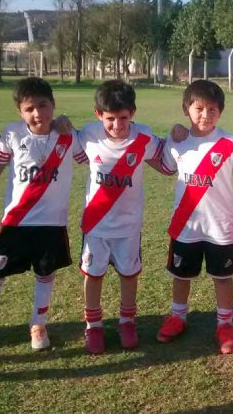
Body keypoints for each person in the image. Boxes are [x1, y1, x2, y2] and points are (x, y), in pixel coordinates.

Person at [0, 77, 87, 357]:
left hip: (52, 223)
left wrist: (69, 124)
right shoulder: (11, 134)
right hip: (16, 222)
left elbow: (92, 158)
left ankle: (38, 324)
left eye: (43, 106)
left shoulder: (69, 136)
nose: (38, 114)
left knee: (45, 273)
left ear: (53, 105)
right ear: (20, 112)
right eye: (29, 108)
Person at [153, 80, 233, 355]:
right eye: (199, 108)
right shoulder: (177, 140)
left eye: (212, 109)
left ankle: (225, 324)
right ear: (186, 109)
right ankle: (177, 316)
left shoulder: (230, 143)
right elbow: (165, 166)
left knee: (222, 277)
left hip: (221, 225)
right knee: (181, 275)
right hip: (186, 225)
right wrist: (172, 132)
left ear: (221, 111)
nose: (205, 114)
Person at [77, 80, 163, 354]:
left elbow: (166, 162)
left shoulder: (144, 138)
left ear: (133, 113)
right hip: (96, 225)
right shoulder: (88, 135)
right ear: (98, 115)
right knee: (94, 275)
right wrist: (61, 124)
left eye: (123, 118)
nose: (117, 124)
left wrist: (180, 133)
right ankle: (94, 325)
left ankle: (127, 321)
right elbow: (69, 148)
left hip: (128, 226)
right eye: (110, 118)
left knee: (129, 274)